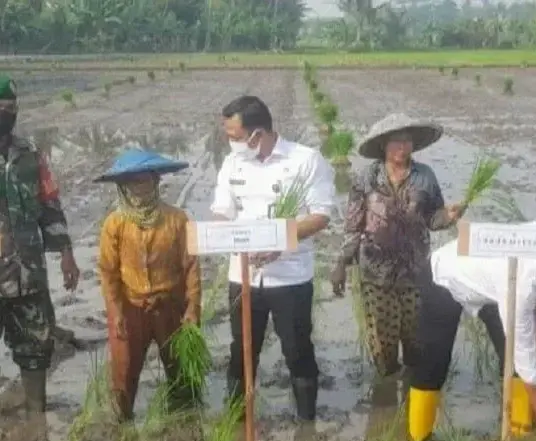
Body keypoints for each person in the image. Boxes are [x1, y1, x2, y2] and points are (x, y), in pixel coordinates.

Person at [407, 218, 536, 441]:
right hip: (445, 278)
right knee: (433, 364)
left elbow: (528, 305)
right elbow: (523, 350)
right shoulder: (524, 282)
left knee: (514, 359)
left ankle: (519, 435)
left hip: (495, 283)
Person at [210, 96, 335, 422]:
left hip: (290, 277)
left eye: (235, 136)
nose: (231, 142)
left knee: (296, 351)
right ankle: (238, 421)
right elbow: (222, 212)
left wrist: (280, 241)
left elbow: (320, 215)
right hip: (243, 277)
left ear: (258, 133)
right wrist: (226, 235)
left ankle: (306, 421)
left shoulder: (305, 160)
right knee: (241, 351)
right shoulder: (231, 164)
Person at [330, 113, 465, 377]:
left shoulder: (425, 176)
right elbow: (353, 225)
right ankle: (388, 393)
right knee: (382, 342)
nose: (402, 148)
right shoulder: (366, 177)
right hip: (375, 273)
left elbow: (432, 218)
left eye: (407, 142)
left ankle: (414, 391)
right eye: (396, 142)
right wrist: (341, 263)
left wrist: (449, 216)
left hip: (415, 272)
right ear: (383, 145)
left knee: (416, 338)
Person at [97, 149, 201, 422]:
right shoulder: (115, 223)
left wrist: (193, 308)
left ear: (156, 181)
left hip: (171, 306)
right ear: (123, 186)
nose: (140, 187)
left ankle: (185, 421)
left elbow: (191, 266)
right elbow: (108, 273)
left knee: (181, 369)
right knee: (124, 371)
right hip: (131, 308)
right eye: (134, 182)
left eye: (145, 180)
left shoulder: (178, 219)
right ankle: (122, 422)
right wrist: (116, 312)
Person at [0, 74, 80, 414]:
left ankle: (36, 418)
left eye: (11, 106)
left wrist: (66, 252)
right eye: (1, 106)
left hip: (28, 272)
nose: (7, 112)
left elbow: (49, 205)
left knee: (35, 345)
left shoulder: (30, 155)